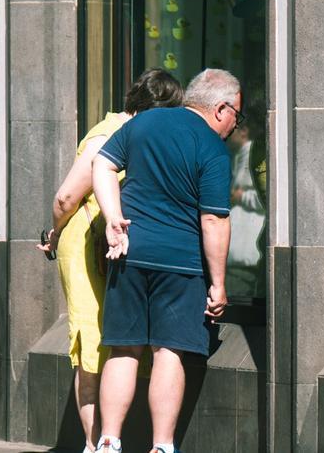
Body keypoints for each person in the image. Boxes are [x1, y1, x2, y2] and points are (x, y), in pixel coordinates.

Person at [91, 68, 241, 453]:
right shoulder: (211, 147)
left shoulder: (147, 121)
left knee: (123, 349)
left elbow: (102, 165)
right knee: (168, 351)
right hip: (181, 263)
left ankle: (108, 442)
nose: (234, 125)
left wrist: (113, 218)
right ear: (221, 109)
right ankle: (161, 446)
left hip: (130, 253)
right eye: (236, 116)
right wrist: (219, 283)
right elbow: (213, 219)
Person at [36, 69, 184, 453]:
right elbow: (66, 198)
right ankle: (93, 443)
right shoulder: (109, 133)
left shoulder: (143, 133)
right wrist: (54, 233)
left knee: (116, 335)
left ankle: (109, 436)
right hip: (86, 242)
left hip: (119, 244)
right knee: (92, 338)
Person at [225, 113, 265, 298]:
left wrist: (241, 197)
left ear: (243, 131)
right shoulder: (238, 156)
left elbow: (265, 198)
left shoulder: (252, 154)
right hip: (236, 258)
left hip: (247, 257)